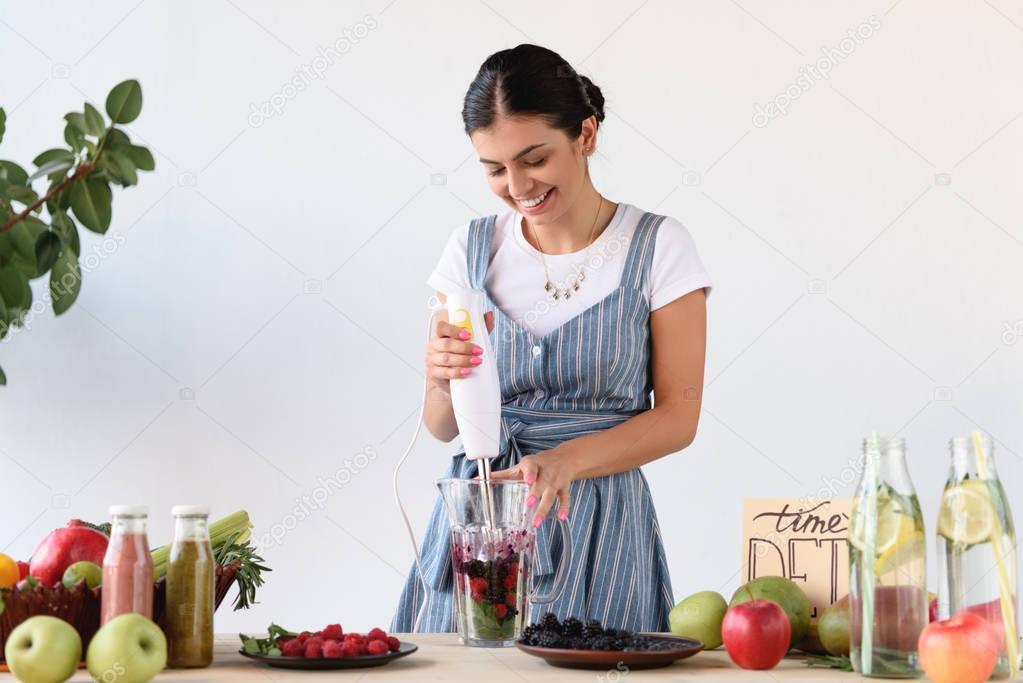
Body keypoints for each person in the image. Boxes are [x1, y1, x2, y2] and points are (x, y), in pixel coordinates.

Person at [391, 43, 711, 633]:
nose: (516, 186)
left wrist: (564, 462)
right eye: (493, 169)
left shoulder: (658, 247)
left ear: (585, 135)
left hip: (598, 523)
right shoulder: (469, 249)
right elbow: (442, 427)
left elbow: (677, 418)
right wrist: (439, 381)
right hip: (483, 520)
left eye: (533, 159)